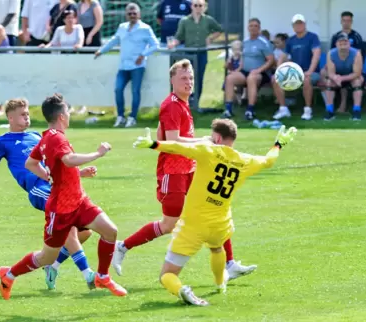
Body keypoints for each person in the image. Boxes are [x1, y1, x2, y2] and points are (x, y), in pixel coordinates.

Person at [111, 59, 257, 281]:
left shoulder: (181, 103)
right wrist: (205, 141)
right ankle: (122, 247)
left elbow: (166, 135)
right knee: (169, 224)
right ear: (172, 81)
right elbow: (173, 140)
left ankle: (229, 263)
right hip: (173, 172)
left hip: (189, 170)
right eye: (183, 78)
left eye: (190, 78)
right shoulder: (171, 104)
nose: (188, 82)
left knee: (213, 212)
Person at [132, 122, 297, 306]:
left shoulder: (208, 151)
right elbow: (269, 161)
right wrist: (278, 144)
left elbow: (179, 147)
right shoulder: (245, 160)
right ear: (232, 139)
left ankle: (182, 290)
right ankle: (220, 284)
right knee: (217, 248)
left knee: (166, 275)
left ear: (217, 138)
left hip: (193, 225)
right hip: (220, 223)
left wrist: (153, 144)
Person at [0, 94, 127, 300]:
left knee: (110, 231)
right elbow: (68, 160)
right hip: (60, 209)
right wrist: (98, 153)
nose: (69, 115)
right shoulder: (56, 138)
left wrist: (52, 175)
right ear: (61, 116)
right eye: (67, 111)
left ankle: (102, 276)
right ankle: (9, 274)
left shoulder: (47, 136)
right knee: (45, 257)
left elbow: (31, 163)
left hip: (79, 201)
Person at [0, 98, 97, 291]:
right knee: (70, 230)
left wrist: (80, 173)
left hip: (56, 186)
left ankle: (52, 265)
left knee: (85, 232)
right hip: (38, 189)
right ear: (10, 117)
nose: (27, 117)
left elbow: (55, 165)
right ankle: (88, 274)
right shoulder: (2, 141)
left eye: (28, 114)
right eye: (22, 115)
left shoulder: (35, 136)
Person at [95, 3, 159, 128]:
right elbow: (114, 40)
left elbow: (155, 45)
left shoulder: (145, 28)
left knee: (135, 91)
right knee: (118, 89)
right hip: (123, 66)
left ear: (139, 14)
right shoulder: (122, 27)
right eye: (130, 13)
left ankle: (132, 117)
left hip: (137, 66)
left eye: (134, 13)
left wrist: (143, 54)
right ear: (126, 15)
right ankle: (120, 116)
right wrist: (101, 51)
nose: (132, 16)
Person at [168, 0, 222, 103]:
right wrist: (173, 43)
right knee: (187, 77)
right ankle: (187, 99)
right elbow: (179, 36)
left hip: (202, 52)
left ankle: (196, 101)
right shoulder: (185, 20)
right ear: (192, 6)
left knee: (199, 77)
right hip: (189, 53)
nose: (198, 7)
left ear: (204, 7)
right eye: (195, 5)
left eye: (200, 5)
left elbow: (219, 30)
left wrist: (210, 38)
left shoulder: (208, 20)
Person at [222, 18, 274, 120]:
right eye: (251, 26)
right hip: (244, 71)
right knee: (230, 78)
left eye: (256, 26)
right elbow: (243, 58)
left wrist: (259, 70)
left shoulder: (264, 43)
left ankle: (250, 110)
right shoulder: (245, 42)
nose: (253, 28)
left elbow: (271, 61)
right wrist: (237, 69)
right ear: (248, 28)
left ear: (259, 28)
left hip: (260, 73)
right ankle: (228, 110)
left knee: (252, 78)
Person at [272, 14, 321, 121]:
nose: (298, 26)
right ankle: (283, 109)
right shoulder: (291, 40)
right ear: (293, 26)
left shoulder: (313, 37)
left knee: (307, 79)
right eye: (296, 24)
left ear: (305, 24)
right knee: (275, 79)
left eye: (300, 23)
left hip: (312, 72)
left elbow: (316, 55)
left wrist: (310, 71)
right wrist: (278, 69)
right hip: (295, 72)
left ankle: (307, 110)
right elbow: (283, 56)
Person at [327, 11, 364, 114]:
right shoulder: (336, 36)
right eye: (344, 20)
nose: (346, 23)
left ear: (351, 21)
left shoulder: (356, 36)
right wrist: (335, 76)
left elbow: (359, 59)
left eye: (348, 21)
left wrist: (341, 77)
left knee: (357, 79)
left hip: (353, 67)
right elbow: (332, 56)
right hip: (338, 67)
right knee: (326, 76)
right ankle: (328, 109)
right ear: (341, 21)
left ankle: (353, 110)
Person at [324, 32, 364, 121]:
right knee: (329, 82)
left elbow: (357, 73)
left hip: (352, 76)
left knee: (358, 81)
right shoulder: (331, 54)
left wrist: (342, 78)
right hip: (337, 76)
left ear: (349, 43)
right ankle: (329, 111)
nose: (343, 43)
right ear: (336, 44)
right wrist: (335, 78)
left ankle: (356, 112)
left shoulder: (356, 53)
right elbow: (330, 73)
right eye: (340, 41)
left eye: (345, 41)